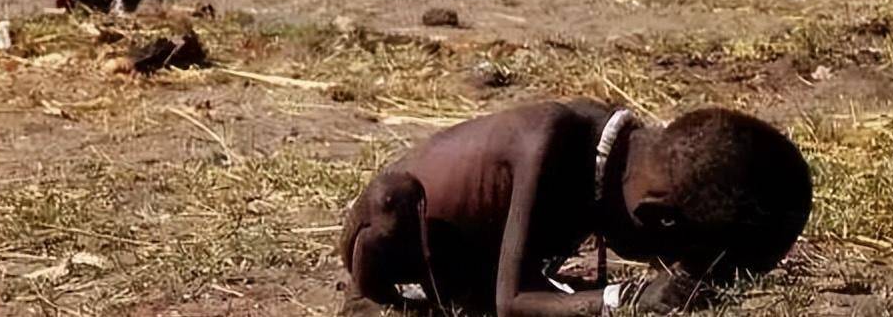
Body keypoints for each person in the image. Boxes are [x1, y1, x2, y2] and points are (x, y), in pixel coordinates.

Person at [339, 99, 812, 316]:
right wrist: (624, 298)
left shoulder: (610, 163)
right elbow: (511, 301)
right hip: (400, 238)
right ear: (655, 218)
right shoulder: (548, 142)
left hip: (473, 268)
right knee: (390, 202)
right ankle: (366, 298)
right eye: (675, 253)